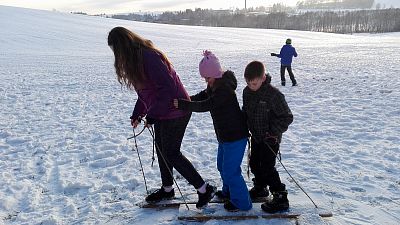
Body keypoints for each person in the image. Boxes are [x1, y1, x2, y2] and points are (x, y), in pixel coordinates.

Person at [107, 26, 215, 209]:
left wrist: (152, 114)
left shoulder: (149, 57)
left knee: (171, 153)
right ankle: (167, 189)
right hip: (163, 111)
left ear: (123, 46)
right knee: (162, 151)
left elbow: (166, 89)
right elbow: (145, 93)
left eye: (116, 50)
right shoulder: (135, 60)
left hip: (177, 109)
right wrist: (138, 114)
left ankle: (204, 189)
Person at [173, 50, 252, 212]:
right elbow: (203, 96)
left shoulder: (224, 90)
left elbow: (206, 104)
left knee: (231, 171)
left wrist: (184, 105)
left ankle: (242, 203)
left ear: (216, 74)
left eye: (207, 78)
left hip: (235, 137)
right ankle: (228, 192)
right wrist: (187, 99)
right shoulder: (215, 85)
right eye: (204, 78)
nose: (206, 81)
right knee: (222, 167)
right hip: (225, 136)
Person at [242, 61, 293, 213]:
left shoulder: (274, 94)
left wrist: (272, 132)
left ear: (263, 78)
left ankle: (280, 196)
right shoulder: (246, 92)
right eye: (248, 83)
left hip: (271, 139)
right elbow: (246, 111)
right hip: (256, 137)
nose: (251, 86)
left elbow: (287, 117)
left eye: (254, 83)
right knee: (254, 164)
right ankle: (260, 188)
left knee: (267, 167)